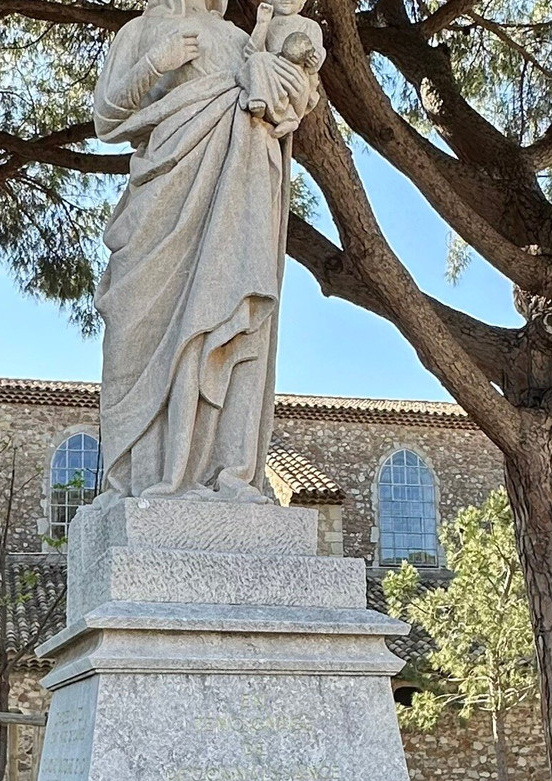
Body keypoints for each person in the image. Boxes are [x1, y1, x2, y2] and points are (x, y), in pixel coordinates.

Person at [92, 0, 312, 505]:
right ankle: (142, 475)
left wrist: (288, 79)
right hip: (161, 197)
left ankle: (222, 471)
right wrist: (157, 62)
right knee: (133, 330)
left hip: (234, 196)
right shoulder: (139, 31)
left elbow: (283, 103)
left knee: (227, 323)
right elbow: (106, 118)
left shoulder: (238, 38)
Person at [241, 0, 325, 137]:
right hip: (270, 74)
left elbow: (317, 55)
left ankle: (290, 116)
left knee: (261, 59)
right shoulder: (269, 24)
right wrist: (262, 23)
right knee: (257, 59)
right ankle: (261, 102)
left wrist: (314, 61)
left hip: (295, 76)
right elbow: (251, 54)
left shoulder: (309, 25)